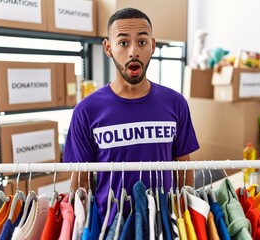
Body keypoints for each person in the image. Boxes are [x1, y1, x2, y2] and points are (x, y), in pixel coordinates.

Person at [63, 7, 199, 227]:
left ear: (153, 46)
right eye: (123, 43)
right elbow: (81, 183)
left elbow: (183, 171)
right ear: (108, 47)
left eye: (142, 42)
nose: (133, 52)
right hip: (111, 227)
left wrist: (183, 218)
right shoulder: (86, 111)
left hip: (164, 225)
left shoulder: (176, 103)